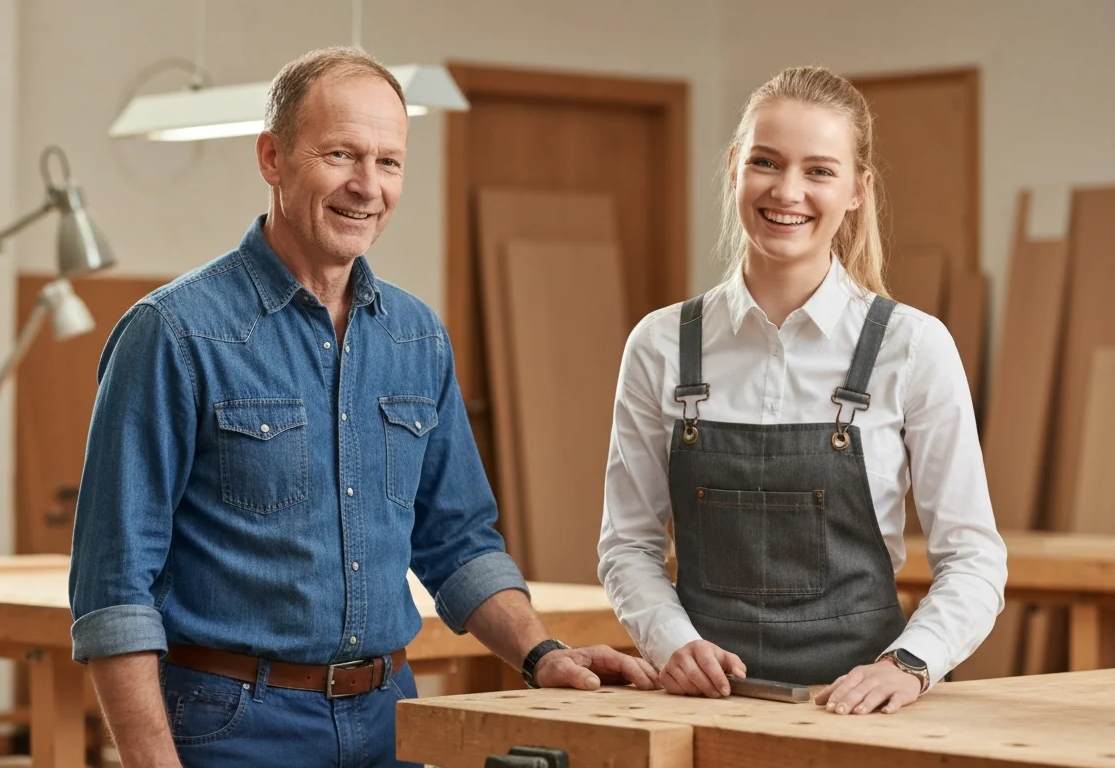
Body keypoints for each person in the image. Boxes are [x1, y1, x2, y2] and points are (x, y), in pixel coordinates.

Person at [68, 46, 657, 767]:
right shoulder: (174, 333)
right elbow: (113, 586)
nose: (366, 185)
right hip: (231, 728)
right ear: (272, 158)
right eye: (341, 153)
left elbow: (459, 540)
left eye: (389, 161)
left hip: (389, 718)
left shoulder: (415, 336)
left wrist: (541, 653)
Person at [597, 65, 1008, 716]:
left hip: (864, 717)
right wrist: (670, 641)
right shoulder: (661, 345)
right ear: (736, 167)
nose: (787, 191)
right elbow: (628, 545)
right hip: (704, 709)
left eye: (819, 170)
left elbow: (974, 559)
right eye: (766, 162)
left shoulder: (913, 348)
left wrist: (910, 666)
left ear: (857, 191)